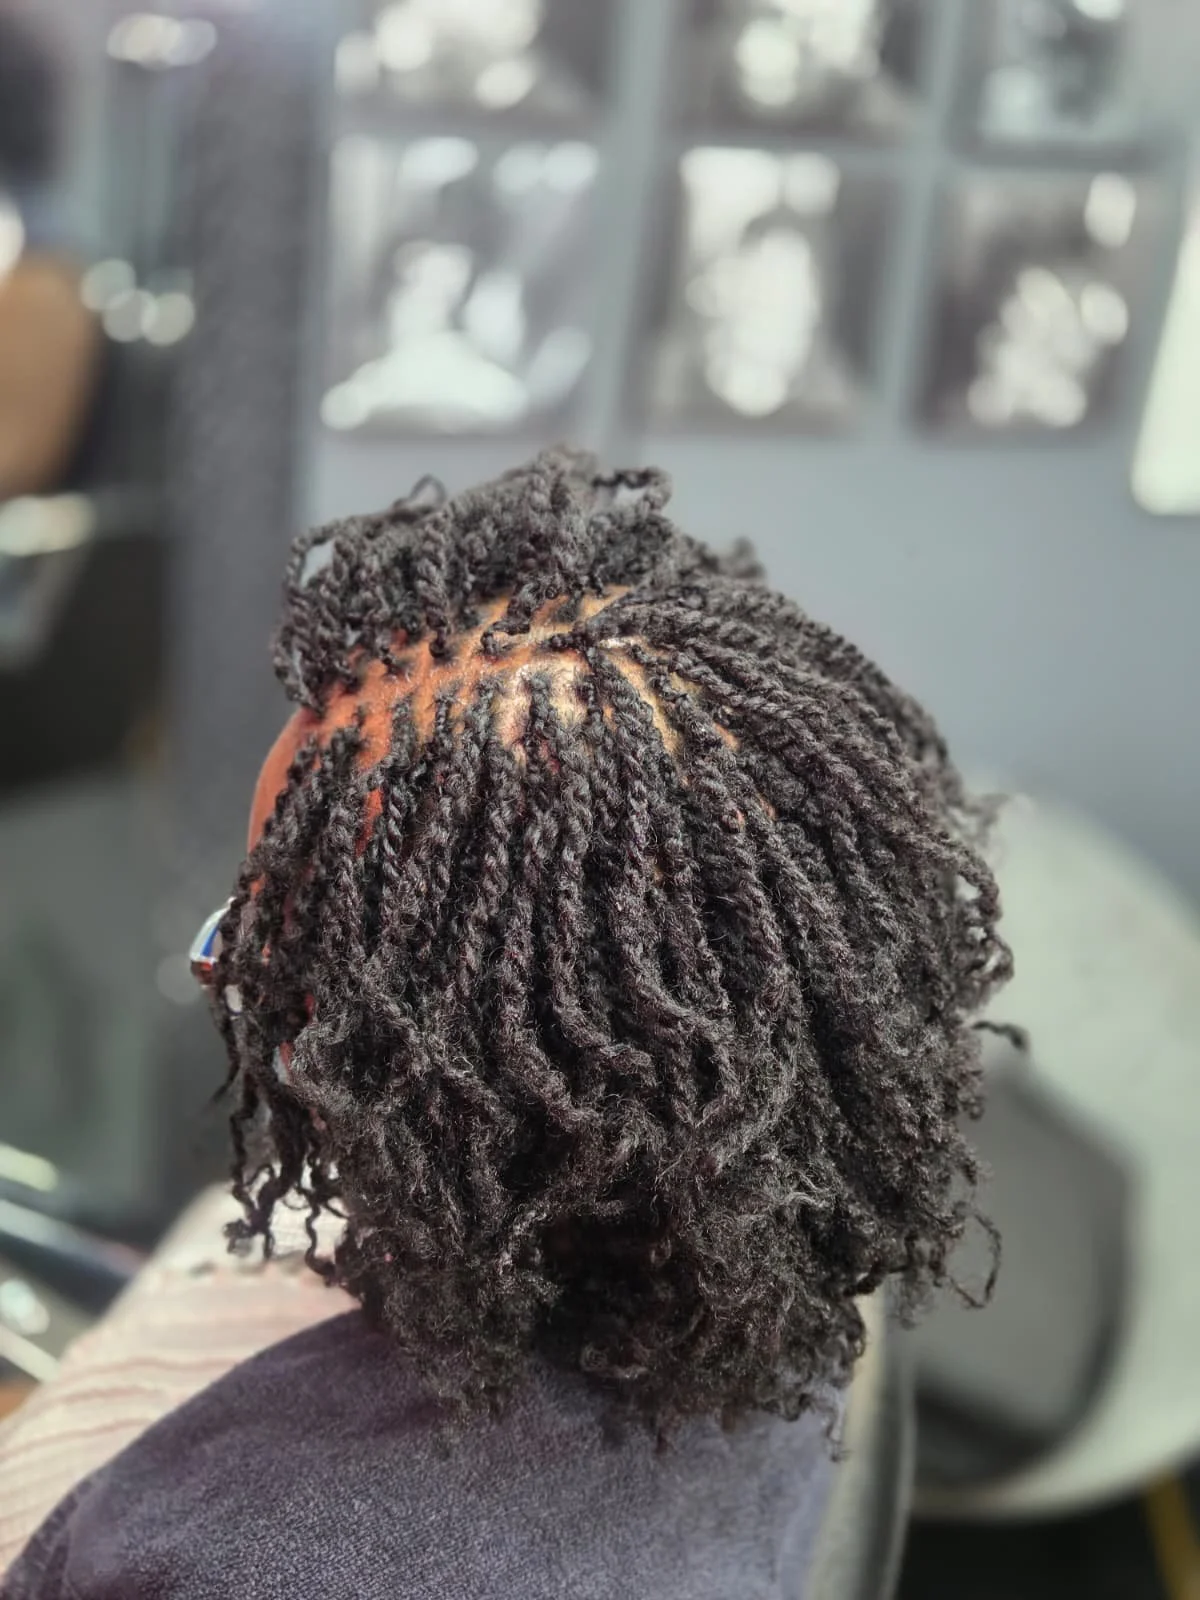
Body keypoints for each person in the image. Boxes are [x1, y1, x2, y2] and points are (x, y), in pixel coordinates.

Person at [1, 450, 1010, 1597]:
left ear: (441, 1075)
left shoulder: (207, 1549)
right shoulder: (794, 1236)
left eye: (268, 938)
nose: (222, 967)